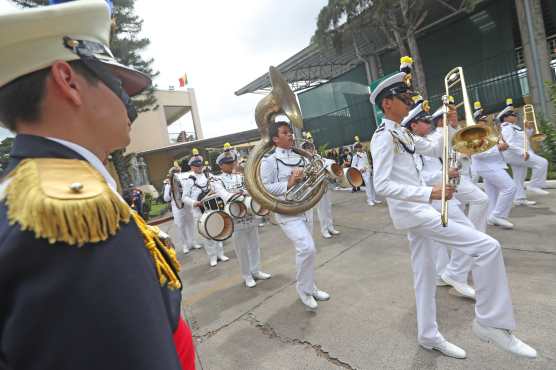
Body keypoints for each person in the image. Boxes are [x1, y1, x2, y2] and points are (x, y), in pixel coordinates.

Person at [0, 1, 195, 369]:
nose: (128, 98)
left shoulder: (27, 195)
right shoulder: (75, 219)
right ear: (68, 81)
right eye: (117, 82)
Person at [369, 56, 536, 359]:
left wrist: (450, 122)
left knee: (424, 275)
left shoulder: (401, 132)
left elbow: (433, 147)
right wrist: (429, 192)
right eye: (403, 97)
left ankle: (428, 334)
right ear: (387, 104)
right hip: (415, 211)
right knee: (487, 247)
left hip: (417, 211)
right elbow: (381, 186)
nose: (409, 101)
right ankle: (491, 323)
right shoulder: (382, 138)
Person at [403, 103, 475, 300]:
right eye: (424, 121)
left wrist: (451, 122)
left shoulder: (425, 142)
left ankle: (443, 274)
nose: (429, 124)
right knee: (466, 231)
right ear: (413, 126)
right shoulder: (413, 147)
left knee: (440, 240)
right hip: (432, 197)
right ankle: (454, 273)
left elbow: (447, 142)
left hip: (441, 194)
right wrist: (446, 173)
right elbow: (421, 178)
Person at [261, 121, 330, 310]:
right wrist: (289, 183)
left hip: (306, 207)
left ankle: (311, 287)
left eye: (290, 132)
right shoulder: (270, 161)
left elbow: (315, 172)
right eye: (285, 133)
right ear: (275, 139)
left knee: (309, 251)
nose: (291, 135)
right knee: (307, 248)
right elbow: (264, 187)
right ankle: (303, 290)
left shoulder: (301, 156)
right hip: (287, 211)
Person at [213, 146, 271, 287]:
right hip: (235, 216)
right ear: (221, 165)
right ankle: (247, 275)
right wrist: (243, 193)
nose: (231, 165)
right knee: (241, 248)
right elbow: (226, 196)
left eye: (232, 162)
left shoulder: (240, 176)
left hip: (249, 214)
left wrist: (245, 192)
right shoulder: (216, 180)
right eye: (227, 163)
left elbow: (253, 189)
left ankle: (256, 270)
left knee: (254, 245)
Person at [471, 103, 517, 229]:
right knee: (510, 188)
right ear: (476, 121)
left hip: (493, 165)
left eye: (485, 120)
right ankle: (498, 216)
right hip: (487, 166)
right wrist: (498, 148)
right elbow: (476, 154)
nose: (485, 122)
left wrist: (500, 141)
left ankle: (491, 217)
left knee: (493, 194)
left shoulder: (486, 132)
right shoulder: (474, 134)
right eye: (482, 120)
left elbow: (497, 146)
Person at [498, 98, 550, 205]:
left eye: (515, 114)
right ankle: (534, 185)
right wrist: (522, 152)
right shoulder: (507, 128)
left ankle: (519, 199)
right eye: (513, 115)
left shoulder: (514, 127)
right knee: (542, 162)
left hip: (517, 154)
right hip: (515, 154)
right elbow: (510, 144)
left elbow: (524, 139)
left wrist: (528, 129)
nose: (516, 116)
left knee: (519, 176)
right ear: (505, 118)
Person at [182, 151, 229, 267]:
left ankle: (220, 254)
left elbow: (219, 184)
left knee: (218, 230)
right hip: (199, 210)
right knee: (207, 234)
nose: (199, 168)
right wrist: (195, 203)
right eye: (197, 166)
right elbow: (184, 198)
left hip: (213, 206)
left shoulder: (208, 175)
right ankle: (212, 256)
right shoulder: (189, 180)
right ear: (192, 167)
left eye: (200, 165)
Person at [301, 141, 341, 239]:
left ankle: (330, 227)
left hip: (325, 185)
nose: (311, 151)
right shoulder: (304, 161)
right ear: (304, 151)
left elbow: (329, 163)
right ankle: (324, 230)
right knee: (322, 210)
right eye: (308, 149)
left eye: (312, 148)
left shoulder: (319, 158)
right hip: (316, 188)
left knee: (328, 208)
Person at [163, 163, 193, 253]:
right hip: (177, 207)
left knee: (191, 223)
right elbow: (166, 198)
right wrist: (170, 188)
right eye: (175, 173)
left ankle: (192, 242)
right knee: (181, 226)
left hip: (187, 205)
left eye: (178, 172)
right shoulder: (168, 185)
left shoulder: (185, 180)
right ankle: (184, 245)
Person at [351, 141, 379, 206]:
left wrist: (370, 167)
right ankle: (369, 200)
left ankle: (374, 199)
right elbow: (353, 166)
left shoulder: (365, 153)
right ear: (356, 149)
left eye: (360, 147)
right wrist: (360, 169)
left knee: (372, 185)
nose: (360, 148)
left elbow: (367, 161)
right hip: (364, 172)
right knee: (368, 186)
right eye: (358, 147)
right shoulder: (356, 156)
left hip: (369, 170)